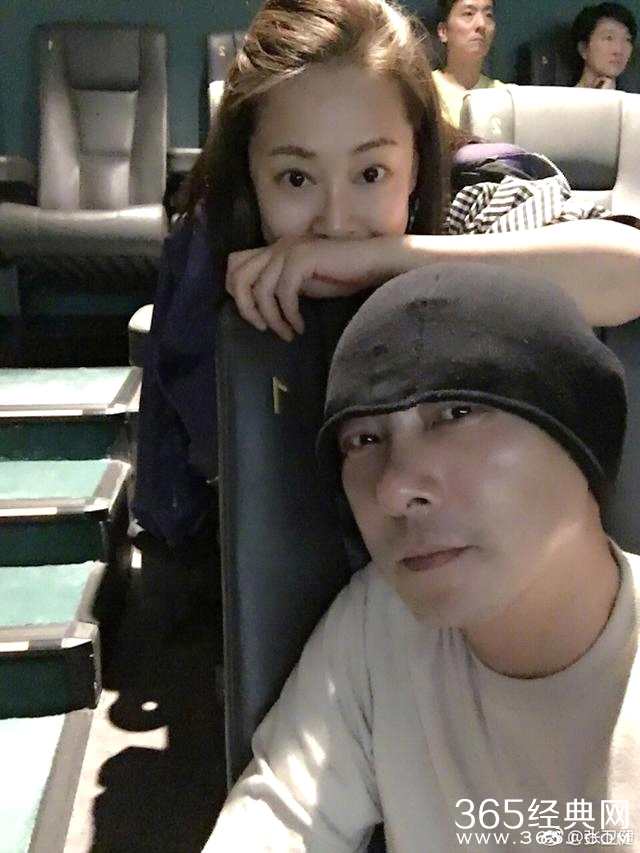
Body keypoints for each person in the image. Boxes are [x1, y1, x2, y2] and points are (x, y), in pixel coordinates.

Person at [134, 0, 640, 550]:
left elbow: (628, 268)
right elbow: (184, 497)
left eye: (371, 173)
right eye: (296, 178)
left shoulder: (470, 203)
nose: (336, 223)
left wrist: (387, 259)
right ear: (251, 175)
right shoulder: (217, 250)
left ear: (417, 162)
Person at [204, 262, 640, 851]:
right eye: (363, 440)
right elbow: (279, 817)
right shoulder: (379, 626)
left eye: (457, 413)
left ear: (579, 438)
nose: (393, 488)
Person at [431, 0, 504, 128]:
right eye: (468, 14)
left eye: (488, 15)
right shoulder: (424, 90)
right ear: (443, 31)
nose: (482, 24)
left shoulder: (506, 97)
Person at [572, 2, 636, 89]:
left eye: (627, 40)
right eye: (609, 38)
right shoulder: (561, 96)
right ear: (583, 48)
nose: (619, 50)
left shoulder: (633, 97)